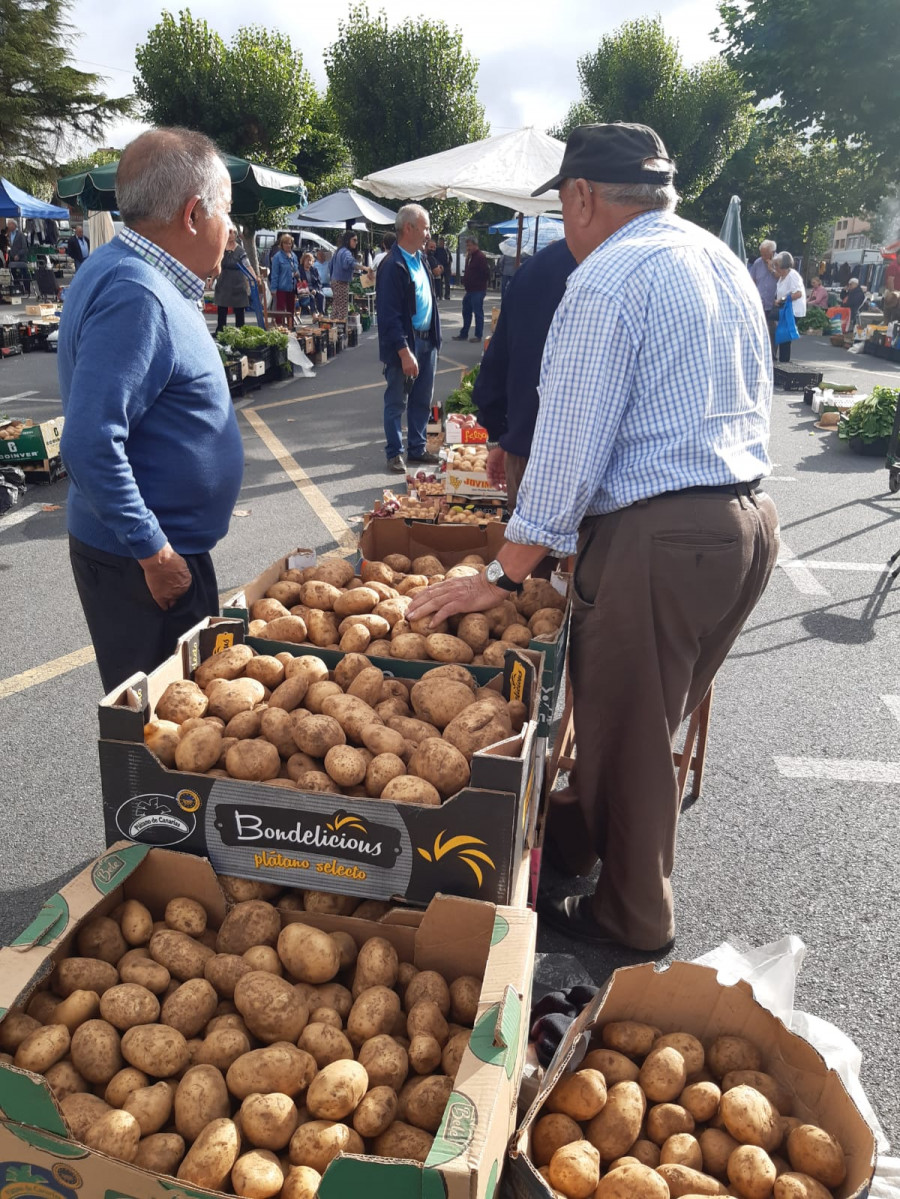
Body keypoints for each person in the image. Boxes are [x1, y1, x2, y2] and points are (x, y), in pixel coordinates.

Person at [406, 122, 778, 955]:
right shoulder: (717, 259)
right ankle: (572, 838)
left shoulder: (607, 278)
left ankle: (632, 919)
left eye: (565, 208)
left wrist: (502, 576)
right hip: (747, 526)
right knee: (639, 716)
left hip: (664, 535)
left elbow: (570, 447)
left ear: (581, 197)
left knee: (631, 734)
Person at [57, 126, 244, 694]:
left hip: (149, 556)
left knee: (177, 720)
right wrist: (155, 553)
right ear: (193, 214)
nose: (231, 232)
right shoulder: (137, 294)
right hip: (146, 566)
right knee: (166, 730)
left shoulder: (127, 269)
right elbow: (90, 441)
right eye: (227, 213)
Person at [475, 237, 577, 510]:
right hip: (606, 463)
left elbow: (497, 361)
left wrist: (498, 434)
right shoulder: (638, 264)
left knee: (531, 544)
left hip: (529, 446)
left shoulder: (534, 269)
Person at [375, 203, 442, 474]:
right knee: (396, 401)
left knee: (422, 399)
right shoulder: (392, 265)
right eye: (425, 228)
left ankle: (417, 447)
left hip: (427, 341)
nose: (428, 234)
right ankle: (394, 453)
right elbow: (389, 317)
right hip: (407, 344)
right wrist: (404, 352)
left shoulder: (420, 258)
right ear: (409, 228)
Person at [213, 226, 254, 333]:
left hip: (238, 283)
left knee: (239, 310)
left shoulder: (240, 250)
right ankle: (220, 331)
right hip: (223, 282)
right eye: (229, 232)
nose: (231, 235)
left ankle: (240, 332)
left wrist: (254, 277)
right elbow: (215, 264)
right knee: (222, 308)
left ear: (236, 235)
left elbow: (247, 265)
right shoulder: (221, 248)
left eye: (233, 233)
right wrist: (211, 279)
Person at [454, 235, 490, 342]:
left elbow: (486, 273)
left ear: (475, 245)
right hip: (470, 290)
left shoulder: (480, 257)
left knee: (478, 313)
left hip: (478, 290)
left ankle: (478, 336)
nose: (468, 248)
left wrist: (478, 282)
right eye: (467, 245)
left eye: (469, 245)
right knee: (466, 312)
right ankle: (463, 334)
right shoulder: (470, 257)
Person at [773, 251, 806, 363]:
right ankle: (783, 361)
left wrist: (782, 300)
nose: (775, 267)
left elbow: (798, 294)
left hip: (792, 310)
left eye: (777, 265)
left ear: (783, 266)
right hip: (785, 309)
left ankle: (784, 362)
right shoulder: (783, 276)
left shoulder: (792, 276)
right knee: (783, 337)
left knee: (785, 337)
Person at [268, 233, 300, 328]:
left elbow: (297, 269)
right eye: (285, 243)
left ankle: (291, 327)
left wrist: (297, 273)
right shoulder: (277, 257)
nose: (287, 245)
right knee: (280, 310)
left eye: (289, 243)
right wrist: (273, 289)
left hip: (292, 287)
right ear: (281, 244)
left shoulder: (294, 256)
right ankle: (280, 327)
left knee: (291, 310)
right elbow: (274, 274)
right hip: (281, 287)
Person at [331, 229, 361, 322]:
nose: (356, 242)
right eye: (354, 240)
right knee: (342, 308)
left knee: (336, 307)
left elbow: (330, 265)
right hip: (341, 282)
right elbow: (350, 263)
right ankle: (341, 331)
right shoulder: (346, 252)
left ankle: (332, 328)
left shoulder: (338, 251)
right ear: (348, 240)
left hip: (334, 281)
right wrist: (364, 268)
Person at [298, 251, 326, 315]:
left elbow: (319, 282)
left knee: (321, 295)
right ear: (303, 261)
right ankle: (314, 314)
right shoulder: (299, 270)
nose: (309, 262)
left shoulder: (314, 270)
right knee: (311, 297)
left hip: (314, 289)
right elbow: (299, 282)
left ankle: (321, 314)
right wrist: (310, 290)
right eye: (307, 260)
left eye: (310, 260)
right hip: (303, 290)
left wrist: (315, 290)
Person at [6, 220, 30, 293]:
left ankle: (27, 288)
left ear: (14, 225)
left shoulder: (20, 234)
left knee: (24, 273)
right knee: (13, 272)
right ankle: (18, 287)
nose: (8, 226)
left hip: (21, 257)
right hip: (13, 257)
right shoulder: (9, 234)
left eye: (9, 225)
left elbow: (25, 247)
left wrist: (19, 254)